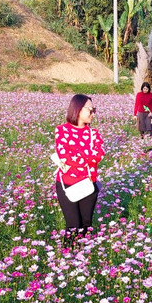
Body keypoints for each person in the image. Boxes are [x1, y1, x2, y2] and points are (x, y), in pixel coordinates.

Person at [55, 94, 106, 250]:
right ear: (77, 109)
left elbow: (99, 154)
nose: (93, 113)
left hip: (88, 185)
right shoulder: (61, 130)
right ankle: (67, 257)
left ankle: (82, 255)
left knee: (86, 224)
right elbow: (64, 155)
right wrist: (86, 158)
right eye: (90, 110)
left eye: (93, 109)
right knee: (73, 226)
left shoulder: (94, 134)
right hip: (67, 184)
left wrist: (77, 156)